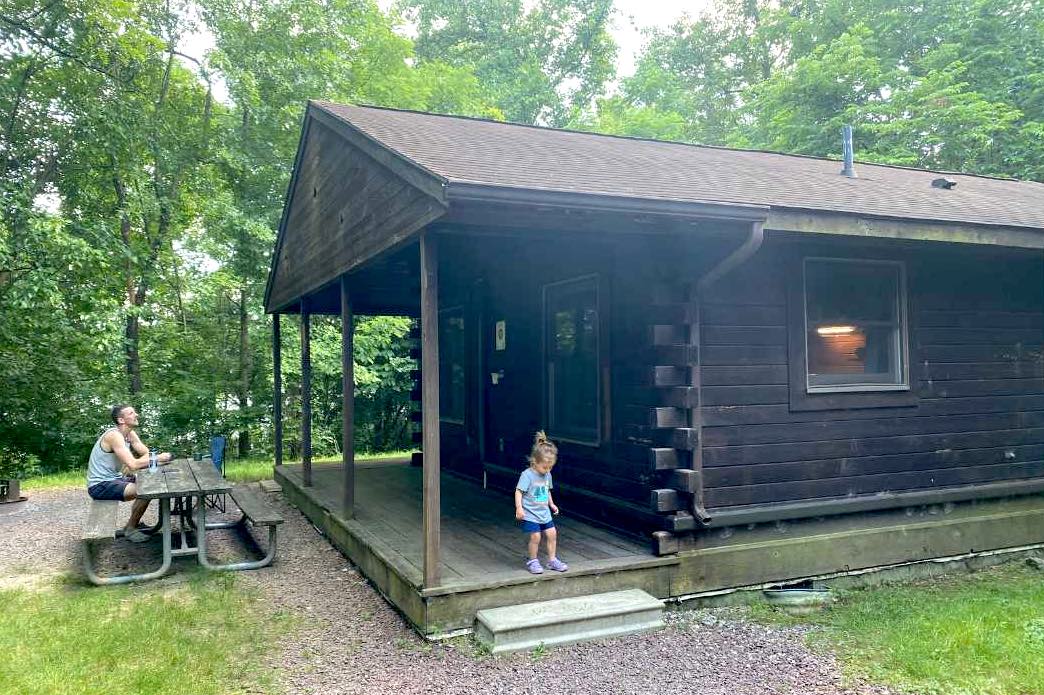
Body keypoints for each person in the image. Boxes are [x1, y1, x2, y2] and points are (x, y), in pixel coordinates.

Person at [86, 404, 172, 542]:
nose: (136, 415)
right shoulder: (114, 436)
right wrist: (158, 458)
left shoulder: (129, 434)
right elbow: (133, 464)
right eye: (131, 413)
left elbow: (146, 454)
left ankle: (133, 522)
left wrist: (147, 460)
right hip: (100, 485)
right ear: (121, 420)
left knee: (148, 484)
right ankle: (130, 529)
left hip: (116, 479)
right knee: (147, 489)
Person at [514, 431, 568, 574]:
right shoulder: (527, 475)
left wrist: (552, 504)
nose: (548, 470)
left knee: (552, 534)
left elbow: (547, 490)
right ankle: (533, 560)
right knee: (535, 536)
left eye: (550, 467)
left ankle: (552, 560)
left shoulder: (547, 474)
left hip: (544, 513)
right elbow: (519, 491)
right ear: (534, 461)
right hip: (530, 513)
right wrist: (519, 508)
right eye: (545, 467)